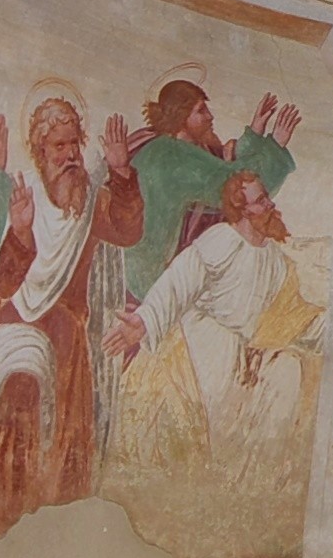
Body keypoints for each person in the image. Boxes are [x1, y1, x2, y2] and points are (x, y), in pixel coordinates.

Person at [0, 93, 140, 535]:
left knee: (67, 442)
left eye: (74, 144)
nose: (70, 156)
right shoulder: (24, 198)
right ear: (40, 152)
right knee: (19, 402)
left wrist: (121, 173)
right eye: (58, 147)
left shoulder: (92, 203)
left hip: (68, 343)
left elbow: (129, 231)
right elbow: (0, 287)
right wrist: (20, 234)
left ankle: (55, 534)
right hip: (20, 326)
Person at [103, 170, 321, 471]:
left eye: (267, 198)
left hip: (246, 355)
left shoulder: (277, 262)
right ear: (242, 211)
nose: (269, 206)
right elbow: (178, 283)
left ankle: (251, 477)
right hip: (206, 346)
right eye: (260, 202)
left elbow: (296, 318)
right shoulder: (222, 240)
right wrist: (144, 321)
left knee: (289, 370)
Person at [125, 74, 303, 291]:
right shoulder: (174, 157)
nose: (210, 117)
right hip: (149, 276)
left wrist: (255, 133)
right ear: (181, 116)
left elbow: (218, 164)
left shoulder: (164, 145)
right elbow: (235, 184)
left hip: (142, 266)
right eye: (200, 111)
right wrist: (275, 145)